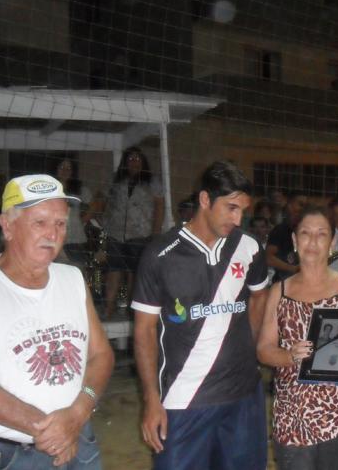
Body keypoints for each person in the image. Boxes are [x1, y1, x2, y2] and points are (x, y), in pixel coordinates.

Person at [0, 174, 114, 468]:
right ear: (7, 225)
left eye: (60, 223)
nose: (53, 234)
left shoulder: (71, 278)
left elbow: (101, 354)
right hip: (8, 452)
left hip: (77, 436)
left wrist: (78, 413)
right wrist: (50, 430)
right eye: (40, 222)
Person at [133, 160, 270, 470]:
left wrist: (249, 346)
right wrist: (151, 400)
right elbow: (143, 331)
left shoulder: (249, 247)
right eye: (231, 208)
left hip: (244, 397)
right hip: (185, 400)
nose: (238, 219)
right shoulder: (159, 255)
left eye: (243, 210)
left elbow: (260, 295)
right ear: (205, 199)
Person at [257, 204, 338, 470]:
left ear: (332, 242)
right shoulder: (279, 291)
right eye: (306, 233)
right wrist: (289, 355)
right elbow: (263, 349)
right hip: (293, 415)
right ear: (295, 241)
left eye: (321, 234)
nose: (313, 241)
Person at [102, 146, 164, 316]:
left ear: (143, 162)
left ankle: (132, 311)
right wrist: (103, 221)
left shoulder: (152, 182)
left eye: (138, 159)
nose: (134, 162)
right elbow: (104, 200)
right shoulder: (115, 181)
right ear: (125, 162)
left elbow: (159, 206)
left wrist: (156, 232)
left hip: (140, 234)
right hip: (115, 232)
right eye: (130, 159)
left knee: (134, 273)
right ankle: (109, 308)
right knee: (114, 270)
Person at [52, 156, 94, 267]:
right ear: (55, 168)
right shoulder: (49, 189)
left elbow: (95, 205)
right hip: (54, 239)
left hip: (76, 240)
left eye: (68, 168)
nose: (65, 171)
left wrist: (83, 220)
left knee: (77, 272)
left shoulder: (80, 189)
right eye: (62, 167)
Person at [266, 191, 308, 282]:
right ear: (290, 205)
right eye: (300, 204)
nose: (302, 209)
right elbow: (268, 257)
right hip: (283, 284)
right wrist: (292, 268)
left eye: (305, 206)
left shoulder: (308, 230)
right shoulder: (280, 230)